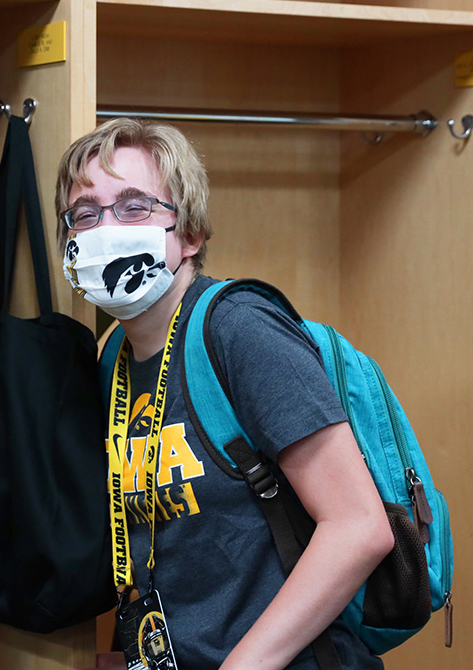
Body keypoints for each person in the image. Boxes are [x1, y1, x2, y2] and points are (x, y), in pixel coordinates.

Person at [55, 118, 395, 670]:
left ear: (189, 234)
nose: (103, 228)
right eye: (85, 213)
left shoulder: (239, 329)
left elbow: (358, 527)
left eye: (135, 206)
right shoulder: (113, 355)